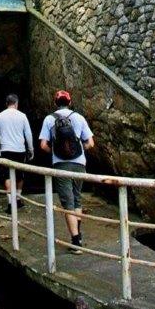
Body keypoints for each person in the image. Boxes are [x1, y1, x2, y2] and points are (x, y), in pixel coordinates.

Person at [39, 90, 94, 253]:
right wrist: (79, 150)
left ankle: (76, 243)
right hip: (79, 164)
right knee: (77, 200)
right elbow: (91, 143)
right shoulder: (79, 118)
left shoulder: (49, 119)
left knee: (67, 203)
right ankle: (79, 235)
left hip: (61, 166)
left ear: (55, 103)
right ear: (70, 102)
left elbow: (43, 145)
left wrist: (55, 152)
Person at [0, 94, 34, 214]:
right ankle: (18, 200)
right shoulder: (22, 116)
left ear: (6, 103)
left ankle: (10, 204)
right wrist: (31, 149)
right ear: (16, 103)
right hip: (20, 150)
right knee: (20, 175)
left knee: (6, 176)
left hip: (6, 150)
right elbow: (28, 134)